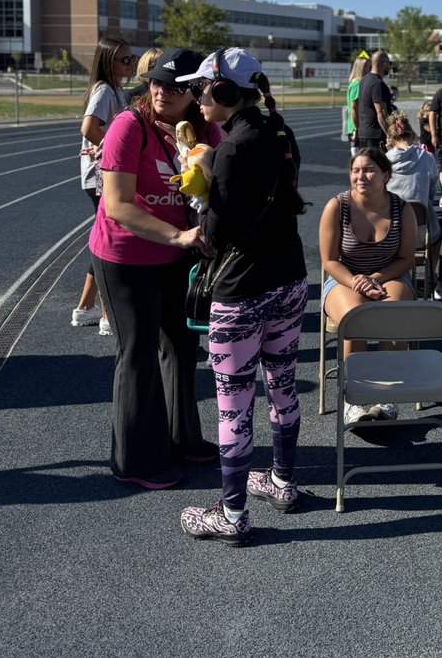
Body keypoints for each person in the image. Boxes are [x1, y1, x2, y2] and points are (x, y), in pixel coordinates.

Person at [174, 48, 308, 546]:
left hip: (242, 290)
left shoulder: (229, 150)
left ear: (226, 92)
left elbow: (211, 234)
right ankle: (282, 482)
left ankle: (231, 515)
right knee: (283, 387)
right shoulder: (280, 131)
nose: (195, 97)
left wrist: (201, 179)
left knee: (233, 407)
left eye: (202, 89)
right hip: (290, 279)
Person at [90, 48, 220, 489]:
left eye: (176, 86)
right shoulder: (129, 126)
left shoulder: (202, 132)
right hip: (124, 257)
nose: (162, 92)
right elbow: (118, 205)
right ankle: (134, 461)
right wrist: (179, 236)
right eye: (157, 82)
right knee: (138, 353)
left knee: (181, 349)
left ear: (195, 91)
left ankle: (182, 438)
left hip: (173, 259)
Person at [319, 146, 416, 426]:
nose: (361, 176)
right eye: (356, 170)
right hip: (343, 278)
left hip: (390, 275)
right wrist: (356, 281)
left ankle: (386, 395)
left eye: (369, 169)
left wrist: (375, 278)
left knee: (392, 315)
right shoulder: (337, 206)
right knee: (356, 318)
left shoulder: (402, 209)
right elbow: (328, 261)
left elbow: (405, 259)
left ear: (385, 175)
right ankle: (355, 399)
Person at [72, 36, 135, 332]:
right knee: (110, 243)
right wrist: (111, 148)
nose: (130, 64)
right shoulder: (105, 91)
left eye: (131, 59)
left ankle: (86, 309)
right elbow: (89, 126)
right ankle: (108, 315)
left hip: (106, 174)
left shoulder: (116, 90)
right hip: (100, 177)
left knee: (106, 241)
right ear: (107, 61)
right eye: (124, 60)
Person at [384, 111, 442, 300]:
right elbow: (431, 191)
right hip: (422, 231)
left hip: (390, 233)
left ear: (390, 139)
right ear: (412, 134)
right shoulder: (426, 158)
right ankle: (437, 279)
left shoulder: (383, 162)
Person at [356, 50, 393, 150]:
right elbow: (381, 112)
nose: (389, 67)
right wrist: (390, 134)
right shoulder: (378, 84)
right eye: (389, 63)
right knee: (379, 165)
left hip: (363, 134)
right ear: (383, 63)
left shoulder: (364, 80)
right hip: (375, 137)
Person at [345, 53, 369, 157]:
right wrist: (356, 129)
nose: (370, 68)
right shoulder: (357, 84)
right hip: (356, 128)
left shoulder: (360, 83)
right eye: (368, 66)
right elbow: (353, 108)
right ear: (361, 68)